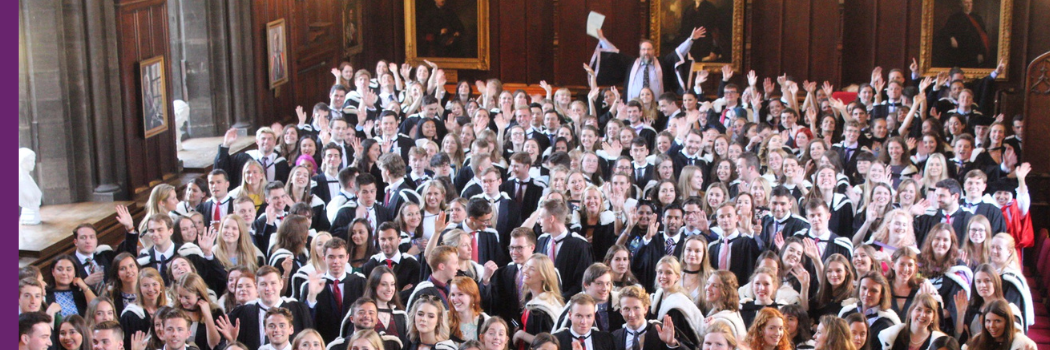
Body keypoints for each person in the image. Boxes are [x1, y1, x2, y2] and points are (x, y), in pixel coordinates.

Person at [225, 266, 313, 349]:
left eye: (273, 283)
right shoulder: (242, 313)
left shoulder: (298, 310)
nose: (268, 288)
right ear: (256, 287)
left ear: (281, 284)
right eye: (263, 284)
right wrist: (231, 341)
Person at [303, 238, 368, 342]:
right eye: (331, 257)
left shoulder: (360, 282)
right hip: (323, 343)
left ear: (347, 257)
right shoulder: (313, 285)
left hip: (354, 342)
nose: (336, 262)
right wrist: (312, 296)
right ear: (324, 258)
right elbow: (306, 320)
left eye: (340, 257)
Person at [535, 199, 594, 300]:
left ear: (551, 219)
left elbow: (582, 282)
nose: (538, 221)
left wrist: (559, 299)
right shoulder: (542, 241)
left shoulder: (580, 246)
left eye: (541, 218)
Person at [611, 285, 688, 350]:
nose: (632, 314)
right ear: (621, 311)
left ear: (645, 309)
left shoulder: (661, 330)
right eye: (626, 309)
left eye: (636, 308)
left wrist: (671, 343)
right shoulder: (615, 337)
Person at [840, 272, 902, 349]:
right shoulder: (847, 312)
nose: (867, 294)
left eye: (874, 290)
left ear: (882, 294)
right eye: (864, 288)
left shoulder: (887, 324)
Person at [216, 127, 290, 187]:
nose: (266, 141)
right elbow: (223, 168)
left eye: (269, 139)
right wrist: (226, 145)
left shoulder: (281, 163)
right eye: (263, 139)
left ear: (274, 142)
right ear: (257, 141)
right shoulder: (244, 159)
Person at [362, 222, 423, 295]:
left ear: (399, 240)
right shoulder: (370, 266)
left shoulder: (413, 265)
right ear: (378, 240)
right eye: (383, 239)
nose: (386, 243)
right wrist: (401, 293)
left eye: (390, 239)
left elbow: (413, 295)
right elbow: (366, 294)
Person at [876, 294, 946, 350]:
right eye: (919, 309)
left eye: (928, 311)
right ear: (911, 311)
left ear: (933, 317)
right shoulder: (892, 336)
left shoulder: (940, 341)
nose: (923, 315)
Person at [965, 299, 1038, 350]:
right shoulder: (977, 341)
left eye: (997, 321)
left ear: (1007, 322)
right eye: (988, 321)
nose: (992, 326)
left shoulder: (1022, 345)